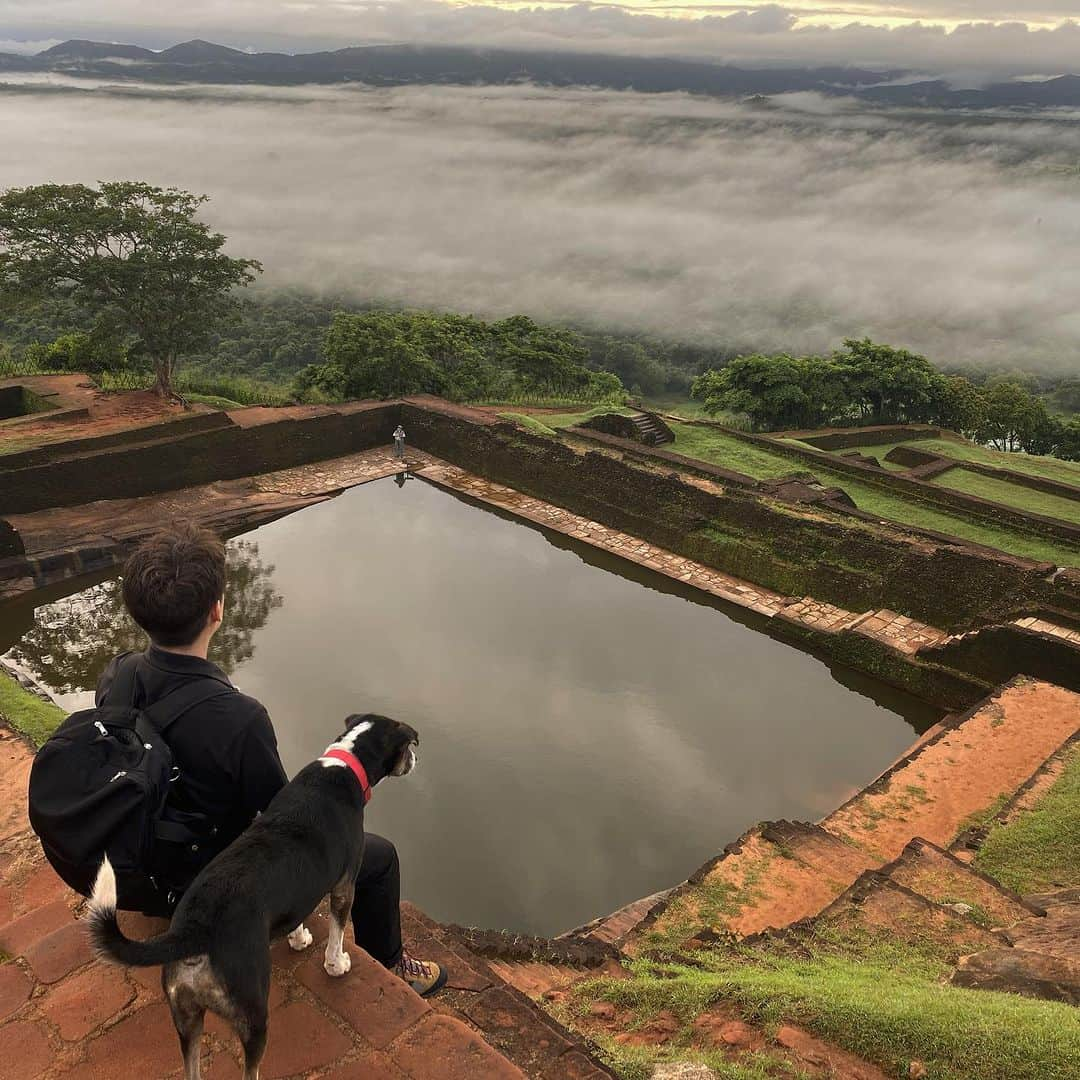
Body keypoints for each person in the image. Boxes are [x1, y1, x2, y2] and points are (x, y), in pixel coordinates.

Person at [96, 522, 446, 996]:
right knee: (377, 858)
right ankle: (391, 965)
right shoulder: (239, 717)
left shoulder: (119, 673)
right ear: (217, 609)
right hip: (211, 879)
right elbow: (282, 814)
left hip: (143, 862)